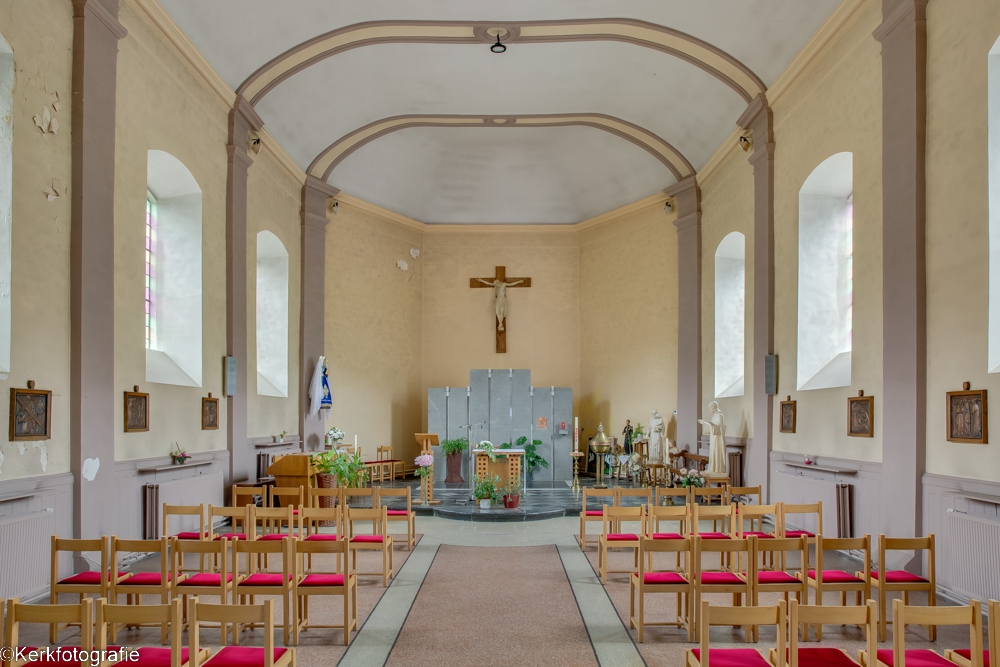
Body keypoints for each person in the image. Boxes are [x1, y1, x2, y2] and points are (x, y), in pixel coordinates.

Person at [698, 401, 728, 475]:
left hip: (718, 439)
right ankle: (713, 468)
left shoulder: (720, 415)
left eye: (710, 408)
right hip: (713, 438)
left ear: (713, 408)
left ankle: (718, 468)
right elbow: (713, 426)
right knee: (713, 452)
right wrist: (705, 423)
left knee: (717, 452)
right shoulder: (714, 415)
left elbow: (721, 427)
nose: (710, 410)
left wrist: (713, 425)